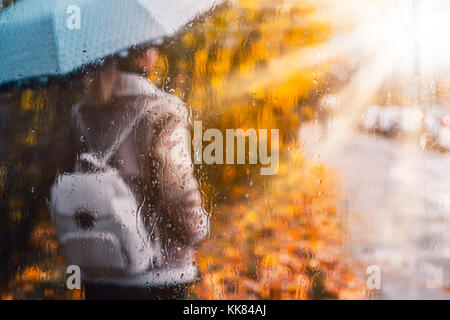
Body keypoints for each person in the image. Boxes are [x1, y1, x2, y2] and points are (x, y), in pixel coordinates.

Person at [64, 47, 208, 300]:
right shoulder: (163, 110)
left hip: (99, 266)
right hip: (158, 270)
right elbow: (175, 187)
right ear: (141, 56)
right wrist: (197, 228)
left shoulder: (82, 113)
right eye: (153, 46)